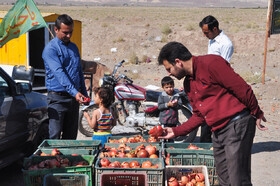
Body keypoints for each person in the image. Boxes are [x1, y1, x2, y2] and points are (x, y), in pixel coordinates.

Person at [158, 41, 267, 186]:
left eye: (169, 68)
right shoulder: (188, 84)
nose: (169, 73)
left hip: (236, 125)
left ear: (178, 62)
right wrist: (176, 131)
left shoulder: (211, 63)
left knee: (238, 180)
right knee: (224, 179)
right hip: (217, 131)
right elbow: (198, 115)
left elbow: (241, 88)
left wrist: (256, 112)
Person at [42, 14, 89, 139]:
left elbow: (79, 71)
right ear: (56, 30)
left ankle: (68, 159)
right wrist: (75, 92)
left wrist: (83, 93)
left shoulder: (73, 47)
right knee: (55, 136)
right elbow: (59, 73)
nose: (68, 36)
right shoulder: (50, 50)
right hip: (57, 99)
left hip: (73, 100)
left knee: (71, 137)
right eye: (65, 33)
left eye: (71, 32)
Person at [199, 15, 234, 142]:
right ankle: (205, 145)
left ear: (214, 29)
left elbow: (223, 69)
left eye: (206, 32)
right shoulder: (212, 39)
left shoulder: (225, 44)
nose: (205, 35)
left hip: (216, 85)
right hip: (207, 82)